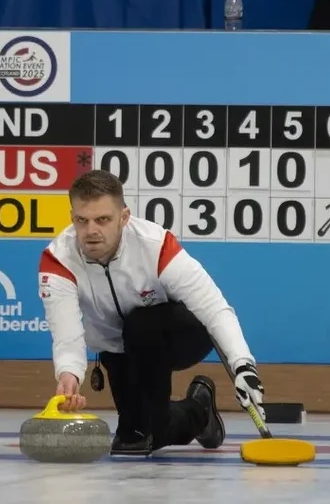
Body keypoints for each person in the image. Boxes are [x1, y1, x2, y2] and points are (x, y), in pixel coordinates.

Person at [37, 169, 265, 456]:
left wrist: (243, 365)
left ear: (124, 217)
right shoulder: (58, 260)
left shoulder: (156, 245)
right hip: (118, 348)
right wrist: (68, 377)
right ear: (72, 218)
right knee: (137, 437)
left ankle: (168, 413)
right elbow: (67, 336)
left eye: (103, 219)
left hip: (178, 334)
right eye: (82, 220)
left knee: (142, 324)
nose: (91, 230)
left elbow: (214, 308)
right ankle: (200, 410)